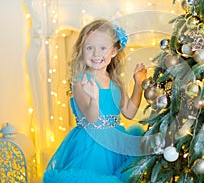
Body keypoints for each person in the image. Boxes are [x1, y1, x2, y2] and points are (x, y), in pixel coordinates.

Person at [43, 19, 147, 183]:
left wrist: (138, 84)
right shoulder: (80, 81)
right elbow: (92, 119)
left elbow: (129, 111)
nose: (96, 53)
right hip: (91, 146)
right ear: (81, 50)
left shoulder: (115, 82)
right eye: (90, 48)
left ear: (113, 51)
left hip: (116, 142)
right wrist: (94, 98)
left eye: (103, 48)